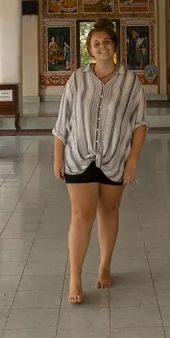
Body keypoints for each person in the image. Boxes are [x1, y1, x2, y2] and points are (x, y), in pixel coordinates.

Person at [53, 18, 148, 304]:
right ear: (89, 50)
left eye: (106, 42)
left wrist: (133, 161)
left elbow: (140, 124)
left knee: (109, 211)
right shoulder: (78, 79)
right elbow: (63, 121)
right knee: (81, 216)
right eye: (96, 43)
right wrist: (57, 157)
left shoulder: (130, 82)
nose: (102, 47)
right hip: (79, 156)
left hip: (115, 157)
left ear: (115, 46)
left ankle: (105, 265)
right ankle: (75, 278)